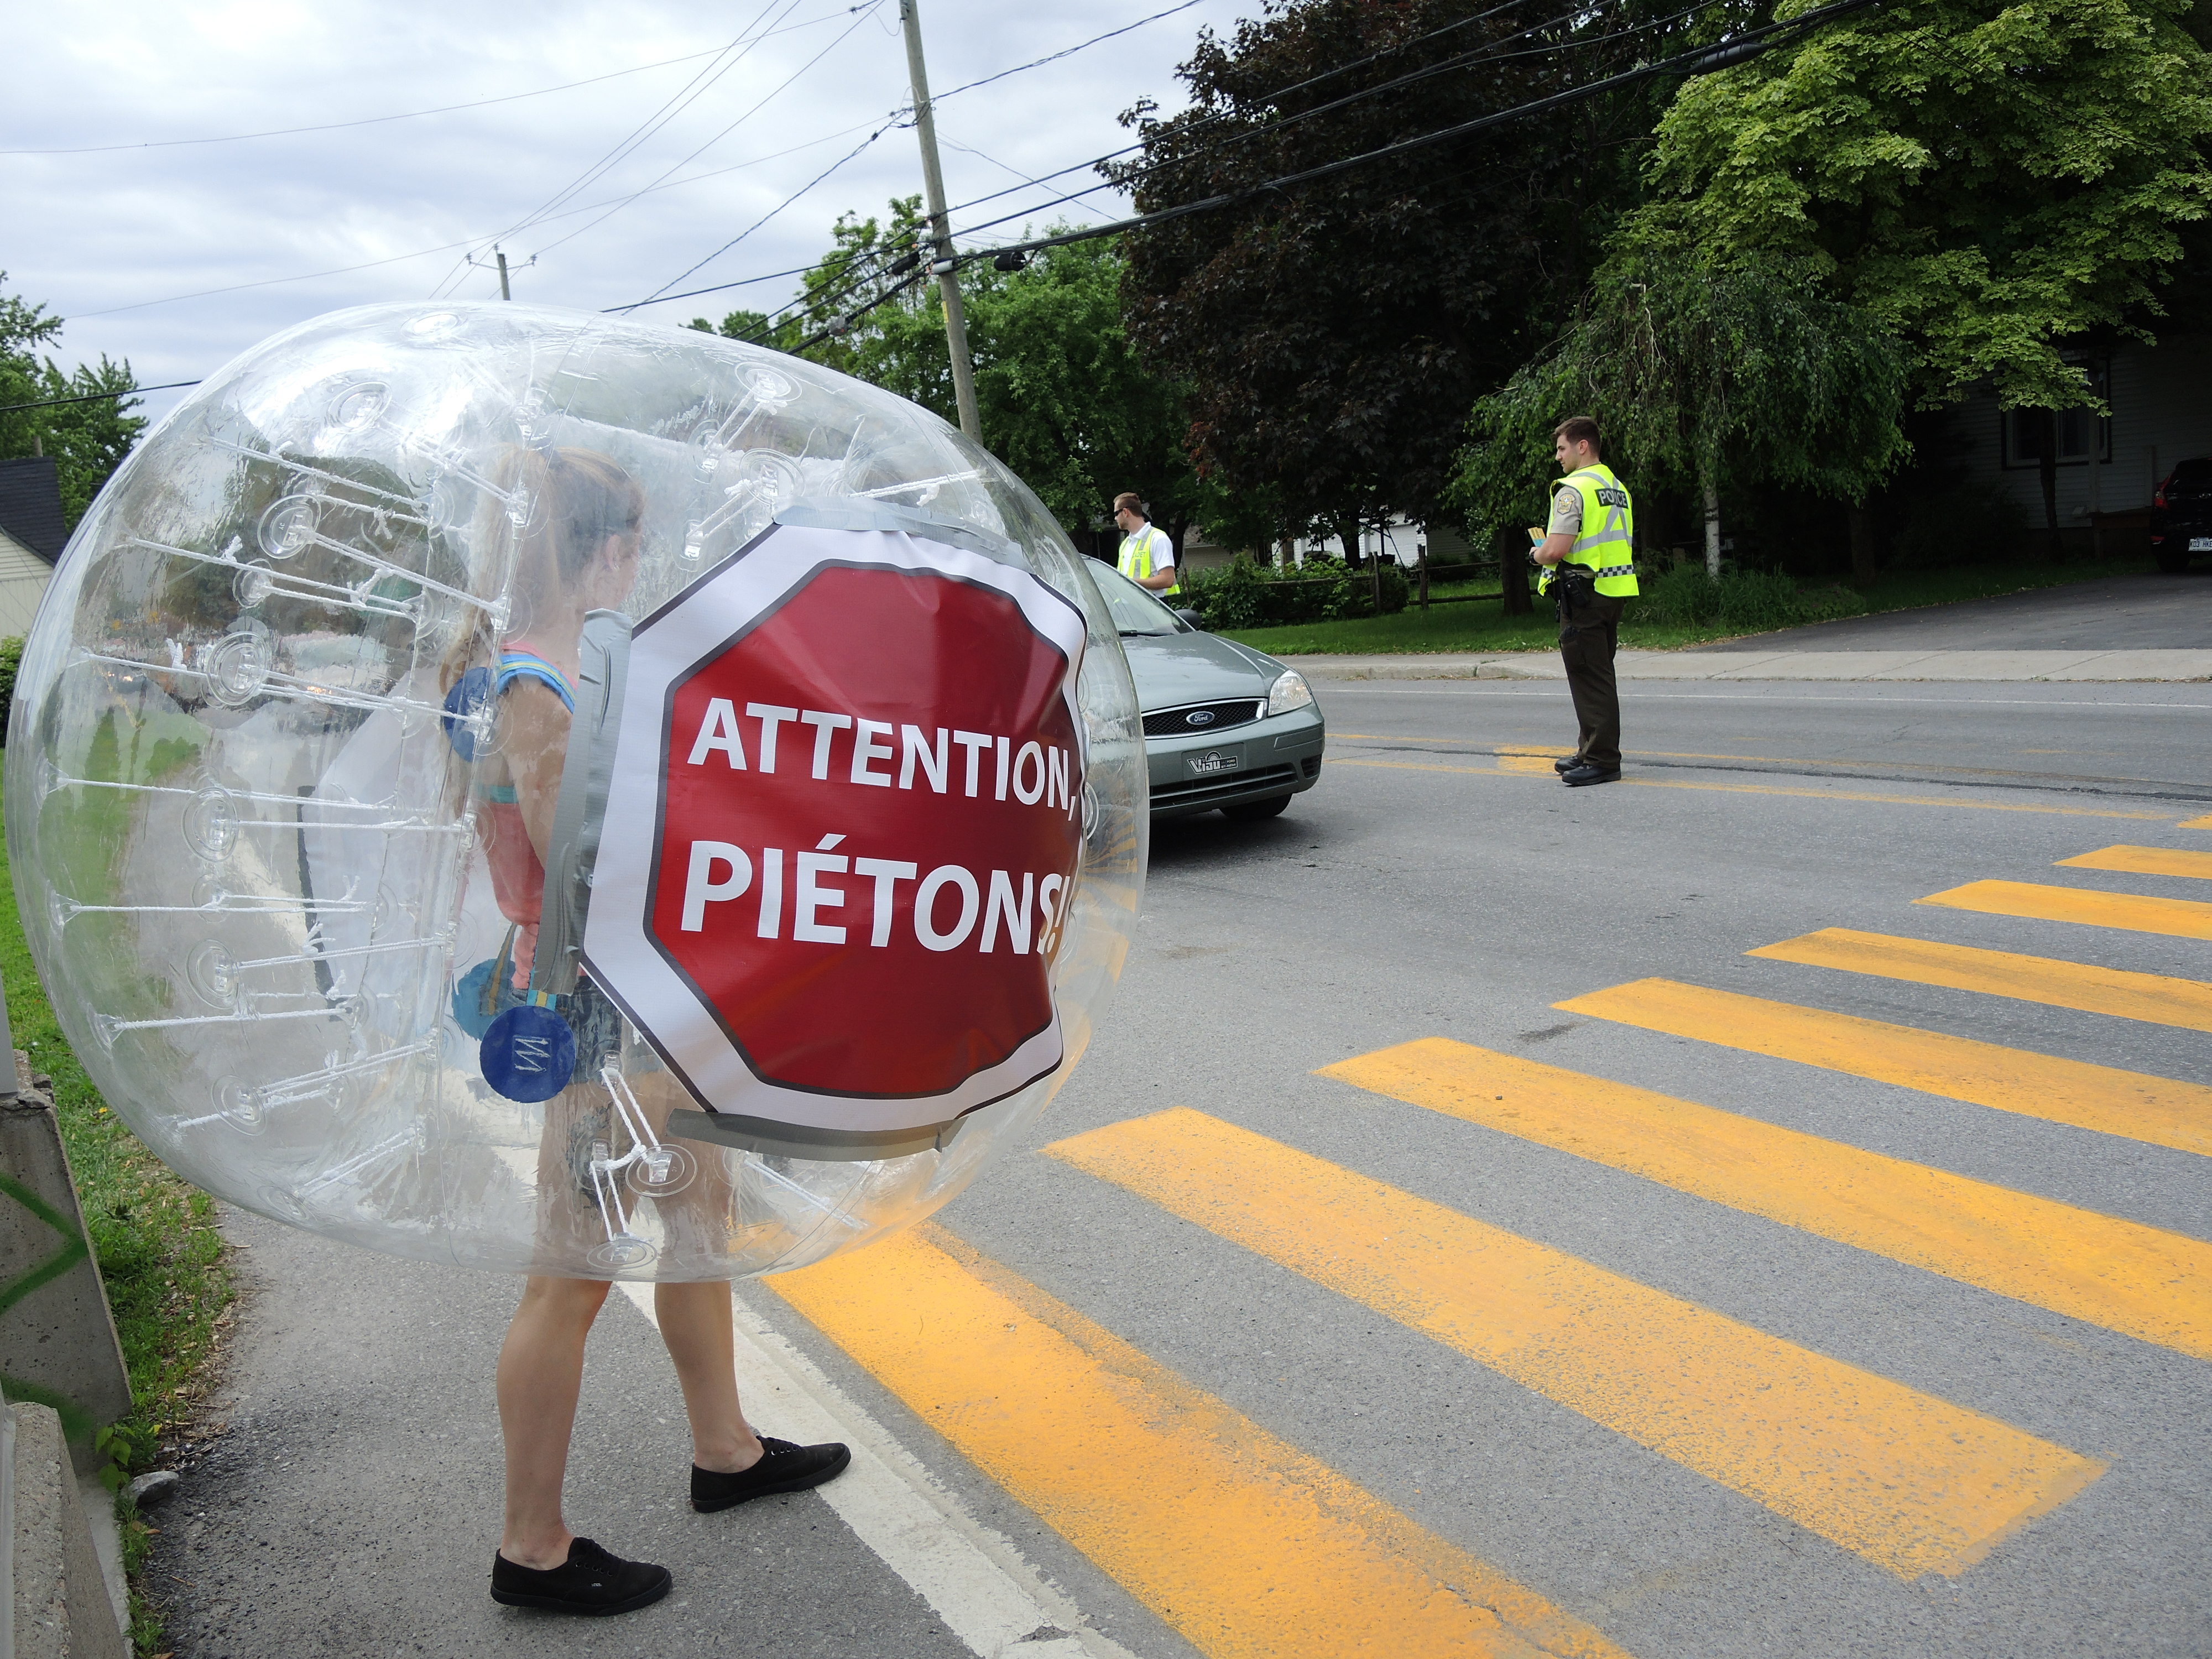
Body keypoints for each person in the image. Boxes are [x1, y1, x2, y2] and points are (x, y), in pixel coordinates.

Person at [450, 446, 851, 1617]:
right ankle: (529, 1545)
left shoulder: (566, 662)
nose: (638, 560)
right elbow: (584, 860)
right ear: (596, 548)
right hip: (595, 1010)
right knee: (568, 1275)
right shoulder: (530, 680)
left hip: (648, 1000)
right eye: (628, 539)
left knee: (699, 1217)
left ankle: (722, 1450)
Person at [1531, 416, 1639, 787]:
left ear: (1582, 446)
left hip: (1584, 594)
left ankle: (1602, 760)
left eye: (1561, 448)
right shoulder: (1616, 486)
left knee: (1590, 676)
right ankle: (1589, 749)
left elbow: (1557, 549)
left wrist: (1537, 553)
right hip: (1613, 591)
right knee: (1596, 672)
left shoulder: (1572, 489)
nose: (1558, 457)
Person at [1113, 491, 1180, 593]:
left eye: (1116, 513)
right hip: (1128, 606)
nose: (1115, 518)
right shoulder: (1125, 544)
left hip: (1152, 606)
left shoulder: (1158, 538)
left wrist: (1132, 583)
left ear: (1125, 512)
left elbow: (1167, 580)